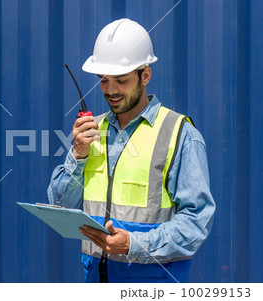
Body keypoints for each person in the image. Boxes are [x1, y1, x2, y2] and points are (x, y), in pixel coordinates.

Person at [47, 18, 215, 283]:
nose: (111, 91)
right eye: (103, 81)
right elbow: (60, 206)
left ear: (145, 75)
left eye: (121, 80)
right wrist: (77, 155)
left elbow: (197, 222)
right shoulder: (93, 131)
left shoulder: (180, 134)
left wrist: (133, 244)